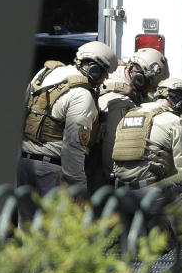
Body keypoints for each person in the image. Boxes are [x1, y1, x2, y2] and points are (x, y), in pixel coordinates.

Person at [16, 40, 117, 217]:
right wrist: (79, 189)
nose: (106, 79)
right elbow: (73, 148)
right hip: (50, 172)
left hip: (24, 165)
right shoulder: (81, 94)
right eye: (105, 73)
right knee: (56, 237)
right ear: (94, 69)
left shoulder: (45, 73)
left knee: (28, 236)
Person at [111, 78, 182, 236]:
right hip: (152, 196)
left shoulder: (128, 116)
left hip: (121, 192)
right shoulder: (175, 122)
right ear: (179, 100)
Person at [88, 47, 170, 191]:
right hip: (98, 171)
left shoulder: (116, 72)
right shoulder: (121, 104)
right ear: (140, 79)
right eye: (151, 86)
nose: (151, 91)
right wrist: (116, 185)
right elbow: (112, 152)